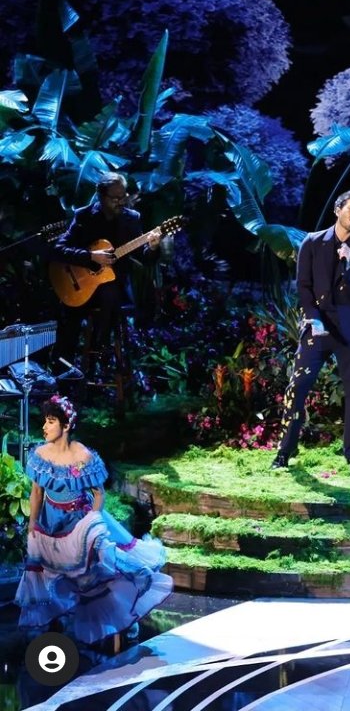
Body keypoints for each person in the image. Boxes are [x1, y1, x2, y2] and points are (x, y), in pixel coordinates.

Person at [15, 395, 173, 648]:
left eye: (51, 421)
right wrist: (33, 522)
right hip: (51, 521)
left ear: (66, 425)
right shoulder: (41, 454)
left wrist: (92, 521)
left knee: (96, 572)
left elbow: (98, 493)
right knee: (50, 571)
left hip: (81, 520)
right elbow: (36, 492)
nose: (45, 426)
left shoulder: (82, 455)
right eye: (45, 420)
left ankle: (124, 609)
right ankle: (54, 620)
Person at [271, 190, 350, 475]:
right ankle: (285, 450)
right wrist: (314, 319)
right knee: (298, 385)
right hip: (318, 325)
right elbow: (303, 286)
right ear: (337, 210)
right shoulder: (312, 242)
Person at [51, 172, 161, 369]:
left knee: (110, 291)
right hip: (80, 285)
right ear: (101, 196)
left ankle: (99, 354)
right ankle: (62, 373)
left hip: (113, 289)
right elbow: (59, 249)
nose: (121, 202)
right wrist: (91, 256)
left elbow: (144, 257)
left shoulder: (131, 219)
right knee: (69, 323)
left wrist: (152, 247)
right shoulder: (84, 216)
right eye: (115, 198)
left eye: (123, 196)